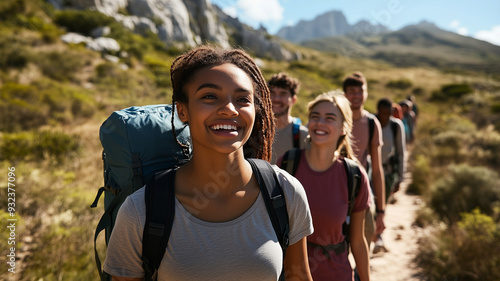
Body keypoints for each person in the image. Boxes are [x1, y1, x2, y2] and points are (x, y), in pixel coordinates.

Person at [103, 45, 314, 281]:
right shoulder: (140, 211)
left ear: (255, 109)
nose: (229, 109)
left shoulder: (284, 192)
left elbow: (299, 275)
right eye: (209, 96)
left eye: (242, 99)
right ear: (182, 111)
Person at [278, 91, 371, 281]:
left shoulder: (353, 176)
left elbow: (358, 241)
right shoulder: (287, 164)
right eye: (315, 117)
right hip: (291, 275)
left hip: (337, 274)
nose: (320, 123)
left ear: (344, 128)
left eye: (329, 118)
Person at [342, 72, 386, 250]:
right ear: (344, 94)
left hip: (362, 196)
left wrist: (381, 211)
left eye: (360, 91)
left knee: (363, 250)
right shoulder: (335, 120)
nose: (357, 96)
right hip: (336, 195)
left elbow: (376, 170)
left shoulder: (371, 123)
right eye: (352, 91)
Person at [374, 98, 406, 253]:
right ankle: (372, 235)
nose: (384, 116)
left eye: (387, 113)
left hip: (387, 173)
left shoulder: (396, 126)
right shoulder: (371, 123)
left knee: (381, 204)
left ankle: (378, 235)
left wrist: (400, 177)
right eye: (382, 112)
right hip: (370, 172)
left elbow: (401, 152)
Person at [268, 72, 309, 164]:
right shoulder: (255, 130)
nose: (276, 99)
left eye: (283, 94)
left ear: (294, 100)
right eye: (272, 93)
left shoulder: (302, 135)